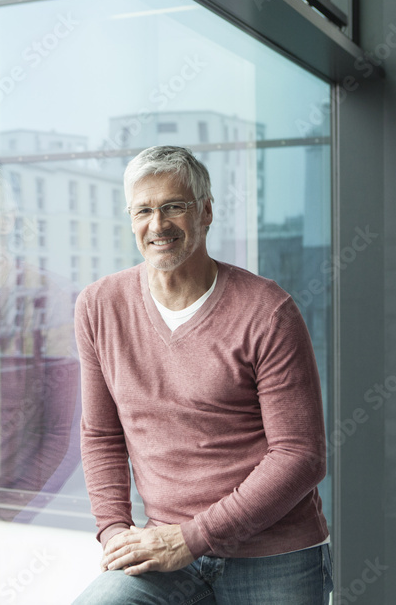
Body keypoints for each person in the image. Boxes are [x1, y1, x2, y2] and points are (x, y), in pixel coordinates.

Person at [72, 146, 332, 604]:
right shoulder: (99, 307)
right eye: (144, 210)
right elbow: (101, 434)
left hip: (273, 554)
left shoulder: (268, 312)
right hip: (163, 551)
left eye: (174, 206)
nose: (159, 224)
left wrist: (190, 539)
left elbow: (300, 456)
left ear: (206, 211)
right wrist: (113, 529)